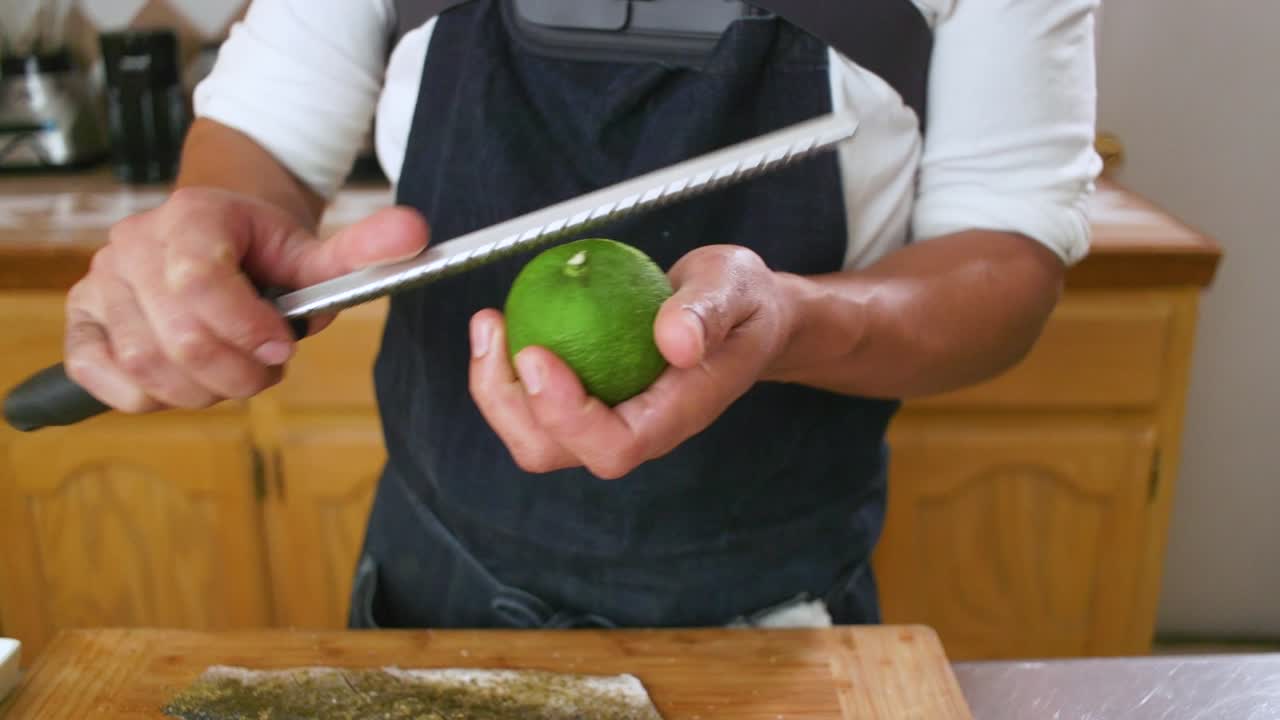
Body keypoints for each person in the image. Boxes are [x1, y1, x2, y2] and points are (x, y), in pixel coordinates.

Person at [63, 0, 1101, 629]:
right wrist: (205, 240)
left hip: (771, 600)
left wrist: (788, 320)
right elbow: (261, 141)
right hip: (433, 571)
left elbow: (1001, 262)